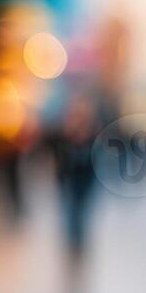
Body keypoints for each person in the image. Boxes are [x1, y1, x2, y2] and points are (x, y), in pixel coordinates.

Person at [48, 96, 101, 269]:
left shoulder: (93, 135)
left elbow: (97, 160)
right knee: (70, 214)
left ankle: (79, 243)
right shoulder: (64, 135)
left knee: (81, 214)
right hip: (68, 182)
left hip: (85, 183)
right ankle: (72, 243)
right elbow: (56, 156)